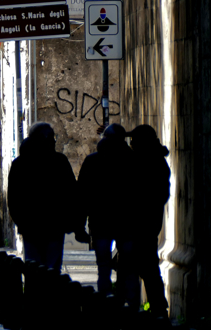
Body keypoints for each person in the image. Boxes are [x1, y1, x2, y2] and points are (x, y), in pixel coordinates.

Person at [7, 122, 78, 269]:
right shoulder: (59, 162)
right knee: (49, 270)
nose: (53, 140)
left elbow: (71, 193)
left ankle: (38, 291)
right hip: (50, 225)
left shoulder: (20, 163)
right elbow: (72, 193)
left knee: (36, 269)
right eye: (51, 137)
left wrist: (21, 221)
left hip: (38, 226)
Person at [77, 124, 136, 298]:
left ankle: (106, 303)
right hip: (126, 222)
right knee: (129, 267)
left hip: (100, 222)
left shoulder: (93, 161)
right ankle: (130, 306)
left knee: (103, 267)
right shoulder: (132, 160)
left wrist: (80, 224)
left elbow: (82, 194)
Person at [128, 124, 171, 317]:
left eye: (134, 140)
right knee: (147, 265)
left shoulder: (143, 162)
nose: (131, 144)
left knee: (142, 266)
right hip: (148, 221)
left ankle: (153, 306)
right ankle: (156, 306)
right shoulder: (157, 161)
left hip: (142, 222)